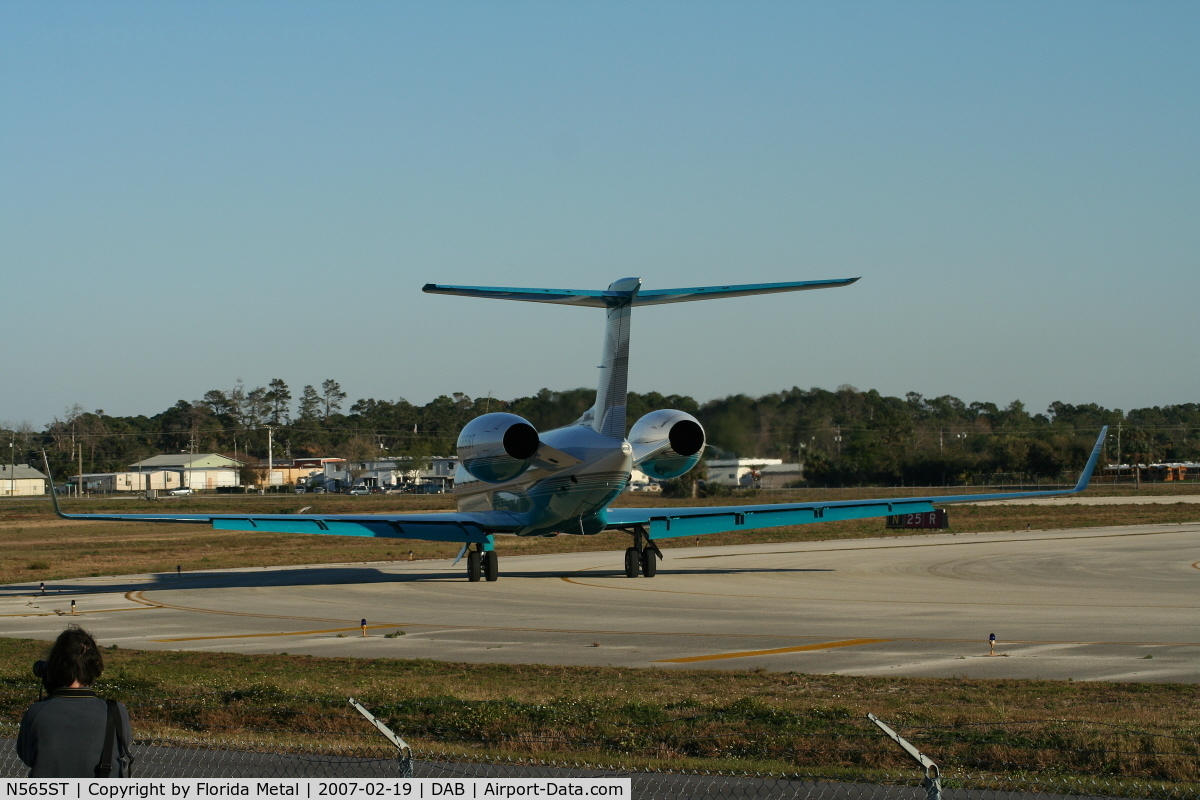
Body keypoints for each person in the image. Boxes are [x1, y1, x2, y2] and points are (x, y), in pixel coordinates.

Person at [17, 625, 132, 777]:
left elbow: (28, 756)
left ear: (53, 668)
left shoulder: (37, 712)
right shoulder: (115, 712)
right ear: (95, 667)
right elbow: (122, 751)